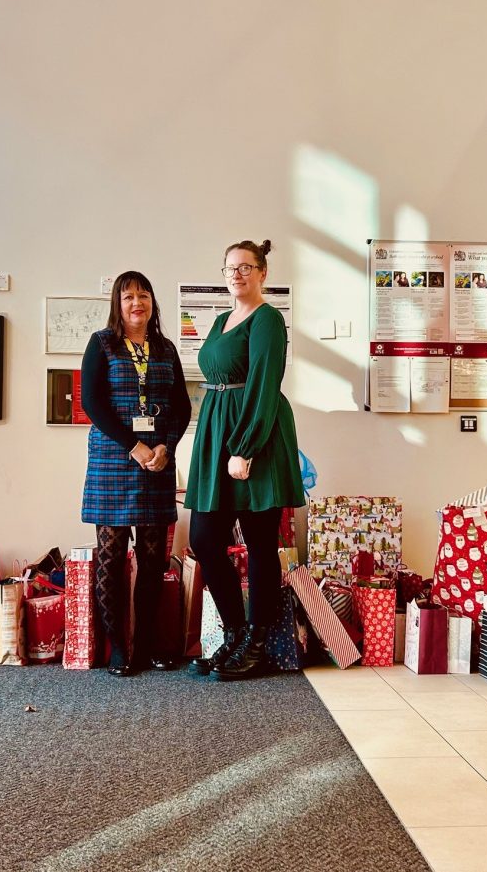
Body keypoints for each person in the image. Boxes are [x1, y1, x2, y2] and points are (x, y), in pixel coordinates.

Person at [185, 239, 304, 681]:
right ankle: (235, 634)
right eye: (230, 268)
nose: (237, 274)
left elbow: (264, 384)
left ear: (262, 273)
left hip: (256, 434)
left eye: (246, 268)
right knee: (205, 538)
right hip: (217, 432)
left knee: (259, 543)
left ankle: (256, 643)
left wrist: (245, 447)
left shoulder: (268, 320)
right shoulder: (220, 321)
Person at [81, 271, 191, 676]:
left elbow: (181, 406)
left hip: (157, 464)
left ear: (152, 302)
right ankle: (117, 649)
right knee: (110, 558)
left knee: (152, 561)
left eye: (143, 295)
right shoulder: (102, 344)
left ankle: (144, 645)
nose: (136, 303)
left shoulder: (165, 348)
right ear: (117, 303)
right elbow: (91, 402)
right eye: (128, 296)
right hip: (114, 461)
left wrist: (167, 447)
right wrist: (134, 445)